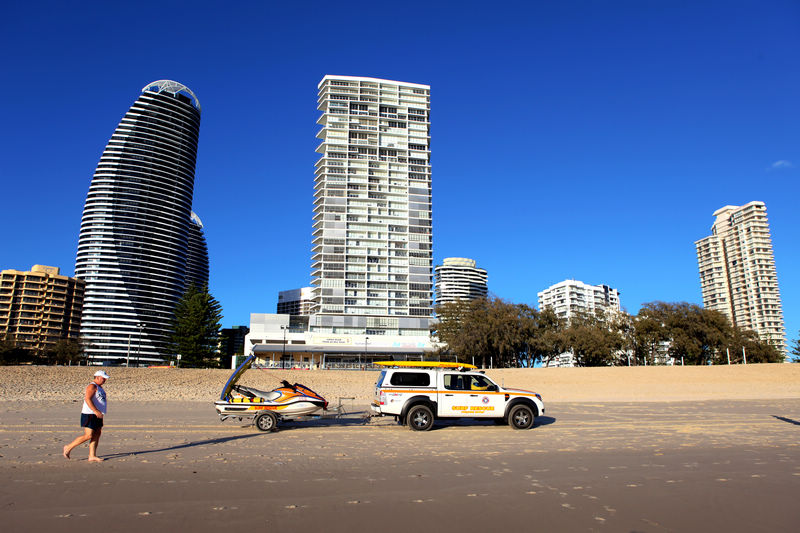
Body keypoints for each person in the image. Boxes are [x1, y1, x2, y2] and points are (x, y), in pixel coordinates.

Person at [63, 370, 109, 462]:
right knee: (88, 435)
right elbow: (87, 399)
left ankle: (92, 456)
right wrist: (95, 411)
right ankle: (68, 447)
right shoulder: (92, 386)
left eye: (105, 378)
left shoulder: (100, 387)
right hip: (90, 414)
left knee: (97, 434)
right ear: (97, 377)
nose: (104, 380)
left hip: (98, 414)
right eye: (103, 378)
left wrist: (100, 412)